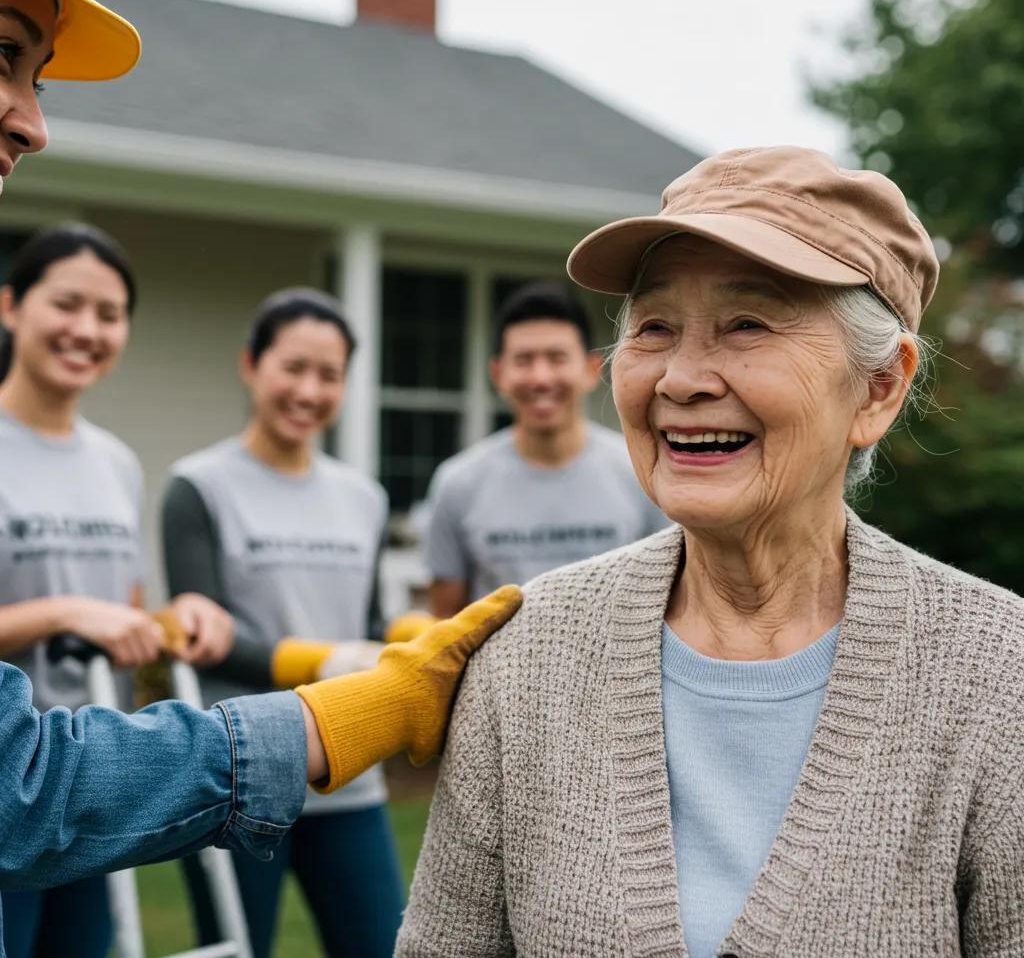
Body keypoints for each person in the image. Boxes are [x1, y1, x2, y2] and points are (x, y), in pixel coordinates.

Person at [0, 0, 521, 943]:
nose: (34, 122)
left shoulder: (137, 464)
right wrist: (362, 697)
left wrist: (379, 656)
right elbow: (18, 787)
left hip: (127, 766)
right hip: (132, 776)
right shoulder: (200, 481)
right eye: (0, 55)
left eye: (36, 75)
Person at [396, 147, 1024, 957]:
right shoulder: (522, 658)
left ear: (878, 388)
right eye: (655, 327)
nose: (682, 378)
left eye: (748, 325)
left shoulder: (998, 674)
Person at [0, 222, 240, 958]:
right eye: (66, 304)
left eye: (109, 315)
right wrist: (65, 612)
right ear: (10, 306)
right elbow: (84, 611)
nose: (86, 329)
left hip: (94, 784)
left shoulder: (117, 463)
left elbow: (122, 620)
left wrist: (178, 619)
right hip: (9, 790)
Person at [162, 288, 404, 958]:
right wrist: (321, 662)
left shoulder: (365, 498)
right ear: (251, 365)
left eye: (328, 375)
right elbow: (203, 642)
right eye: (293, 368)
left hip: (350, 781)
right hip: (234, 783)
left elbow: (372, 628)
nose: (309, 390)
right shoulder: (198, 487)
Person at [425, 282, 667, 616]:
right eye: (524, 360)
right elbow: (445, 623)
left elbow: (669, 598)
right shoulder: (458, 483)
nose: (541, 377)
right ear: (498, 374)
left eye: (557, 358)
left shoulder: (642, 471)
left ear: (590, 370)